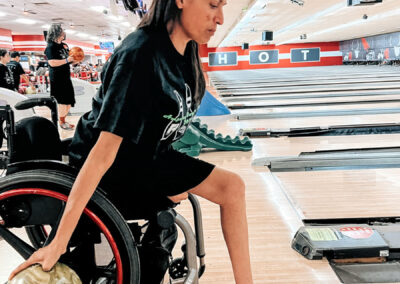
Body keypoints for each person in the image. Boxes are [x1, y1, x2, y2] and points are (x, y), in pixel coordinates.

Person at [9, 0, 253, 283]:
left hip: (147, 156)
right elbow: (101, 155)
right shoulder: (140, 55)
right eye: (213, 4)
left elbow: (164, 127)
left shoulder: (186, 50)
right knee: (227, 187)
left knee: (232, 187)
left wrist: (172, 181)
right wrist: (58, 242)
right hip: (114, 168)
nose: (220, 18)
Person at [44, 24, 80, 130]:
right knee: (61, 102)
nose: (64, 33)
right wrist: (67, 60)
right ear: (57, 33)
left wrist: (75, 62)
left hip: (66, 77)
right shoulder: (50, 47)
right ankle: (61, 122)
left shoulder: (64, 46)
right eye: (62, 31)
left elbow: (69, 60)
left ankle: (62, 120)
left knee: (69, 101)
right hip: (57, 79)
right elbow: (52, 63)